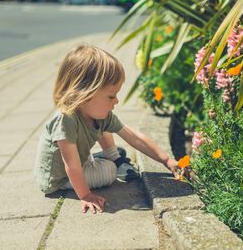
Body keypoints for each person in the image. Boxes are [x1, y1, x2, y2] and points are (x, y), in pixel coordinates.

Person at [34, 44, 179, 214]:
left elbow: (134, 137)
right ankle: (110, 161)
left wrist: (167, 160)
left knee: (105, 122)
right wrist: (86, 195)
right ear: (85, 94)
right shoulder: (65, 119)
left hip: (76, 163)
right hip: (58, 179)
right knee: (109, 171)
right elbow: (72, 165)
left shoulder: (95, 112)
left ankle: (113, 158)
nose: (116, 101)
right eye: (111, 96)